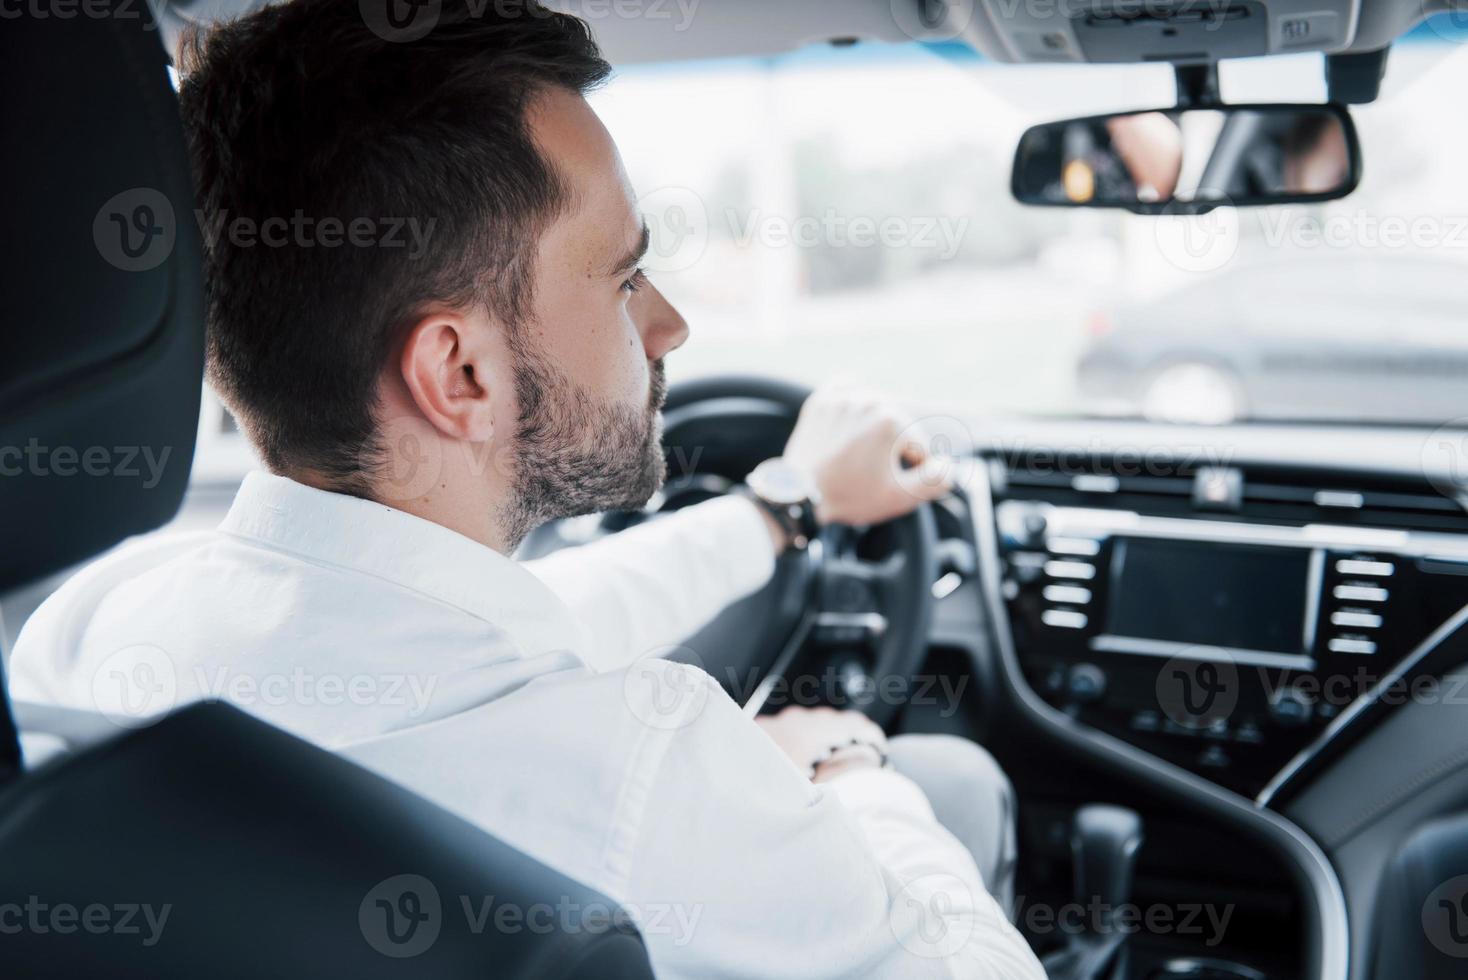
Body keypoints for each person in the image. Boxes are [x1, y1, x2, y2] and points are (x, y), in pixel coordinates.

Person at [9, 2, 1044, 976]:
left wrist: (781, 507)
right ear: (459, 374)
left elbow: (491, 635)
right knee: (959, 787)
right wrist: (858, 780)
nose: (669, 322)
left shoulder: (94, 631)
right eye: (626, 276)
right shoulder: (651, 768)